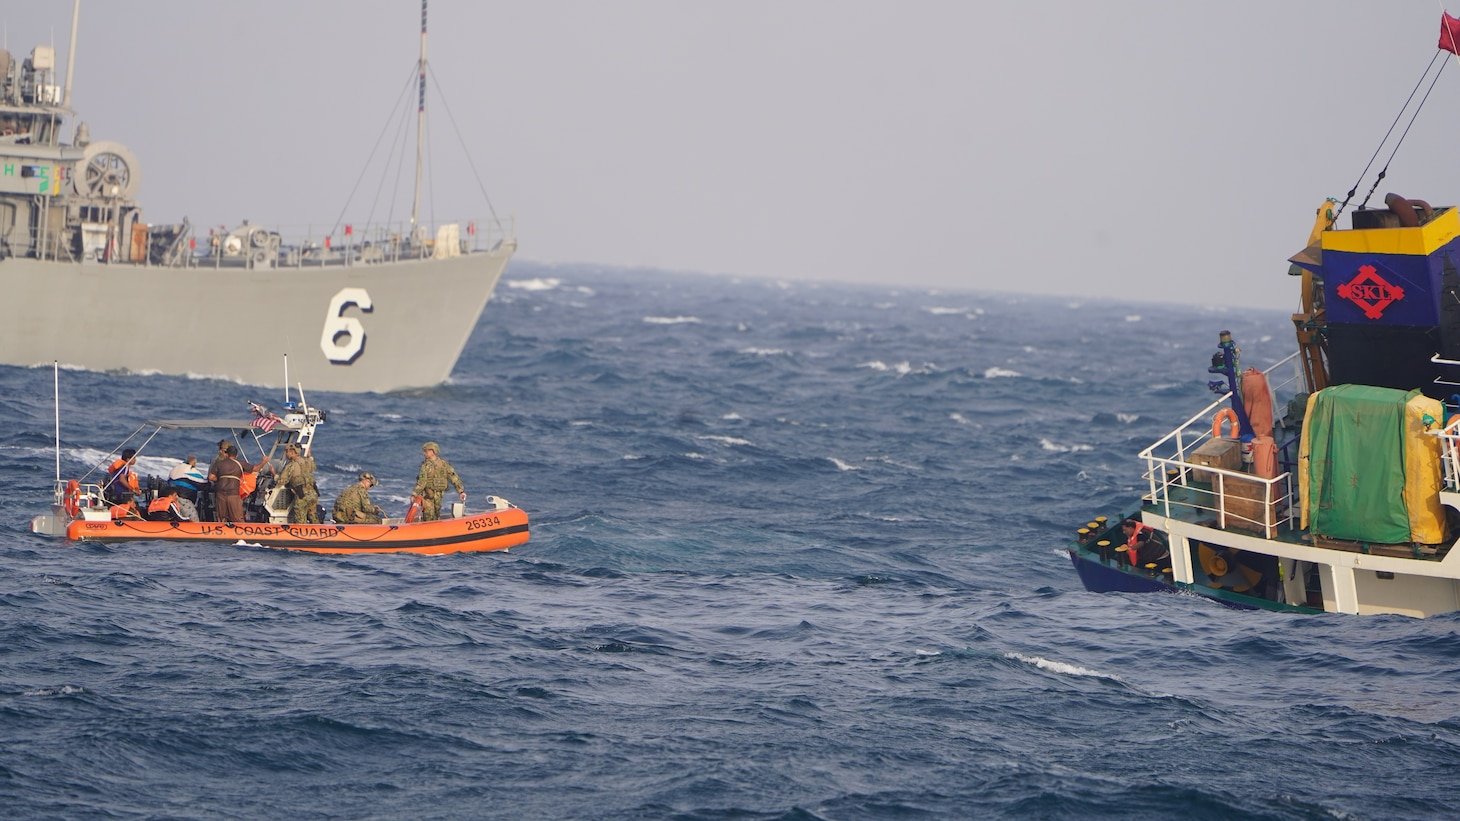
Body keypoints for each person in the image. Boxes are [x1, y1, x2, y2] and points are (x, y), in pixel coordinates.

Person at [207, 444, 267, 523]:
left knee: (221, 518)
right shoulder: (240, 463)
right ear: (237, 455)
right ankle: (239, 533)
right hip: (233, 494)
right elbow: (256, 469)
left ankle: (221, 533)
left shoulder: (219, 463)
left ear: (227, 454)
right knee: (238, 518)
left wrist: (222, 478)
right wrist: (264, 462)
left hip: (221, 493)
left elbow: (211, 477)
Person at [412, 441, 466, 521]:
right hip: (429, 496)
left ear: (432, 451)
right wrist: (461, 491)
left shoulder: (427, 466)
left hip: (435, 495)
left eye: (426, 451)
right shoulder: (443, 464)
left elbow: (421, 483)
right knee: (430, 515)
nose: (424, 453)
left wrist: (414, 494)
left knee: (433, 515)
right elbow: (454, 477)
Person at [274, 444, 318, 524]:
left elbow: (282, 481)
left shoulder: (291, 465)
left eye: (287, 452)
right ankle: (318, 531)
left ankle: (301, 534)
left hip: (302, 495)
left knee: (300, 519)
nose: (286, 454)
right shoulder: (307, 461)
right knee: (313, 516)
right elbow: (312, 467)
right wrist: (309, 455)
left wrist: (274, 474)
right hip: (313, 493)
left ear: (292, 452)